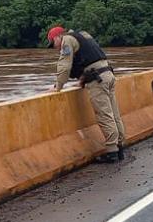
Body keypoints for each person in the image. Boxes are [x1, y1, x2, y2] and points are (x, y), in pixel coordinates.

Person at [47, 26, 126, 163]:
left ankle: (112, 152)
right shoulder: (83, 35)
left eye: (53, 44)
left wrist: (58, 87)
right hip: (108, 74)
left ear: (57, 37)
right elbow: (90, 58)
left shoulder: (67, 40)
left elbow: (64, 66)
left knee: (104, 116)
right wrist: (83, 79)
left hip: (98, 80)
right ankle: (120, 147)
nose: (55, 48)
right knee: (114, 114)